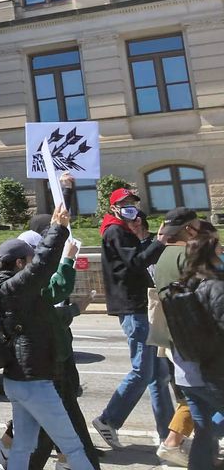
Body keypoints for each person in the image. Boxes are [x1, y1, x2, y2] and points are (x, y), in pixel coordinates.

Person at [0, 177, 101, 470]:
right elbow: (42, 266)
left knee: (23, 446)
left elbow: (47, 277)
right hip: (34, 380)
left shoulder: (14, 288)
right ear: (20, 264)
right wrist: (58, 228)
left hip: (20, 379)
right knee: (73, 445)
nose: (33, 259)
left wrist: (66, 194)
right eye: (29, 257)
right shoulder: (15, 288)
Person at [92, 187, 173, 449]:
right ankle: (108, 419)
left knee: (158, 374)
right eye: (124, 203)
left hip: (138, 305)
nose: (131, 207)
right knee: (143, 371)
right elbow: (137, 263)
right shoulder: (115, 230)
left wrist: (144, 236)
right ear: (113, 207)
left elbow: (138, 258)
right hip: (133, 307)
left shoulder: (123, 230)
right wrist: (158, 242)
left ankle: (168, 436)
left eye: (133, 203)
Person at [153, 208, 216, 470]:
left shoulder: (164, 256)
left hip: (175, 341)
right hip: (201, 349)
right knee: (208, 420)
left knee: (202, 424)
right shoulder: (190, 257)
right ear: (190, 229)